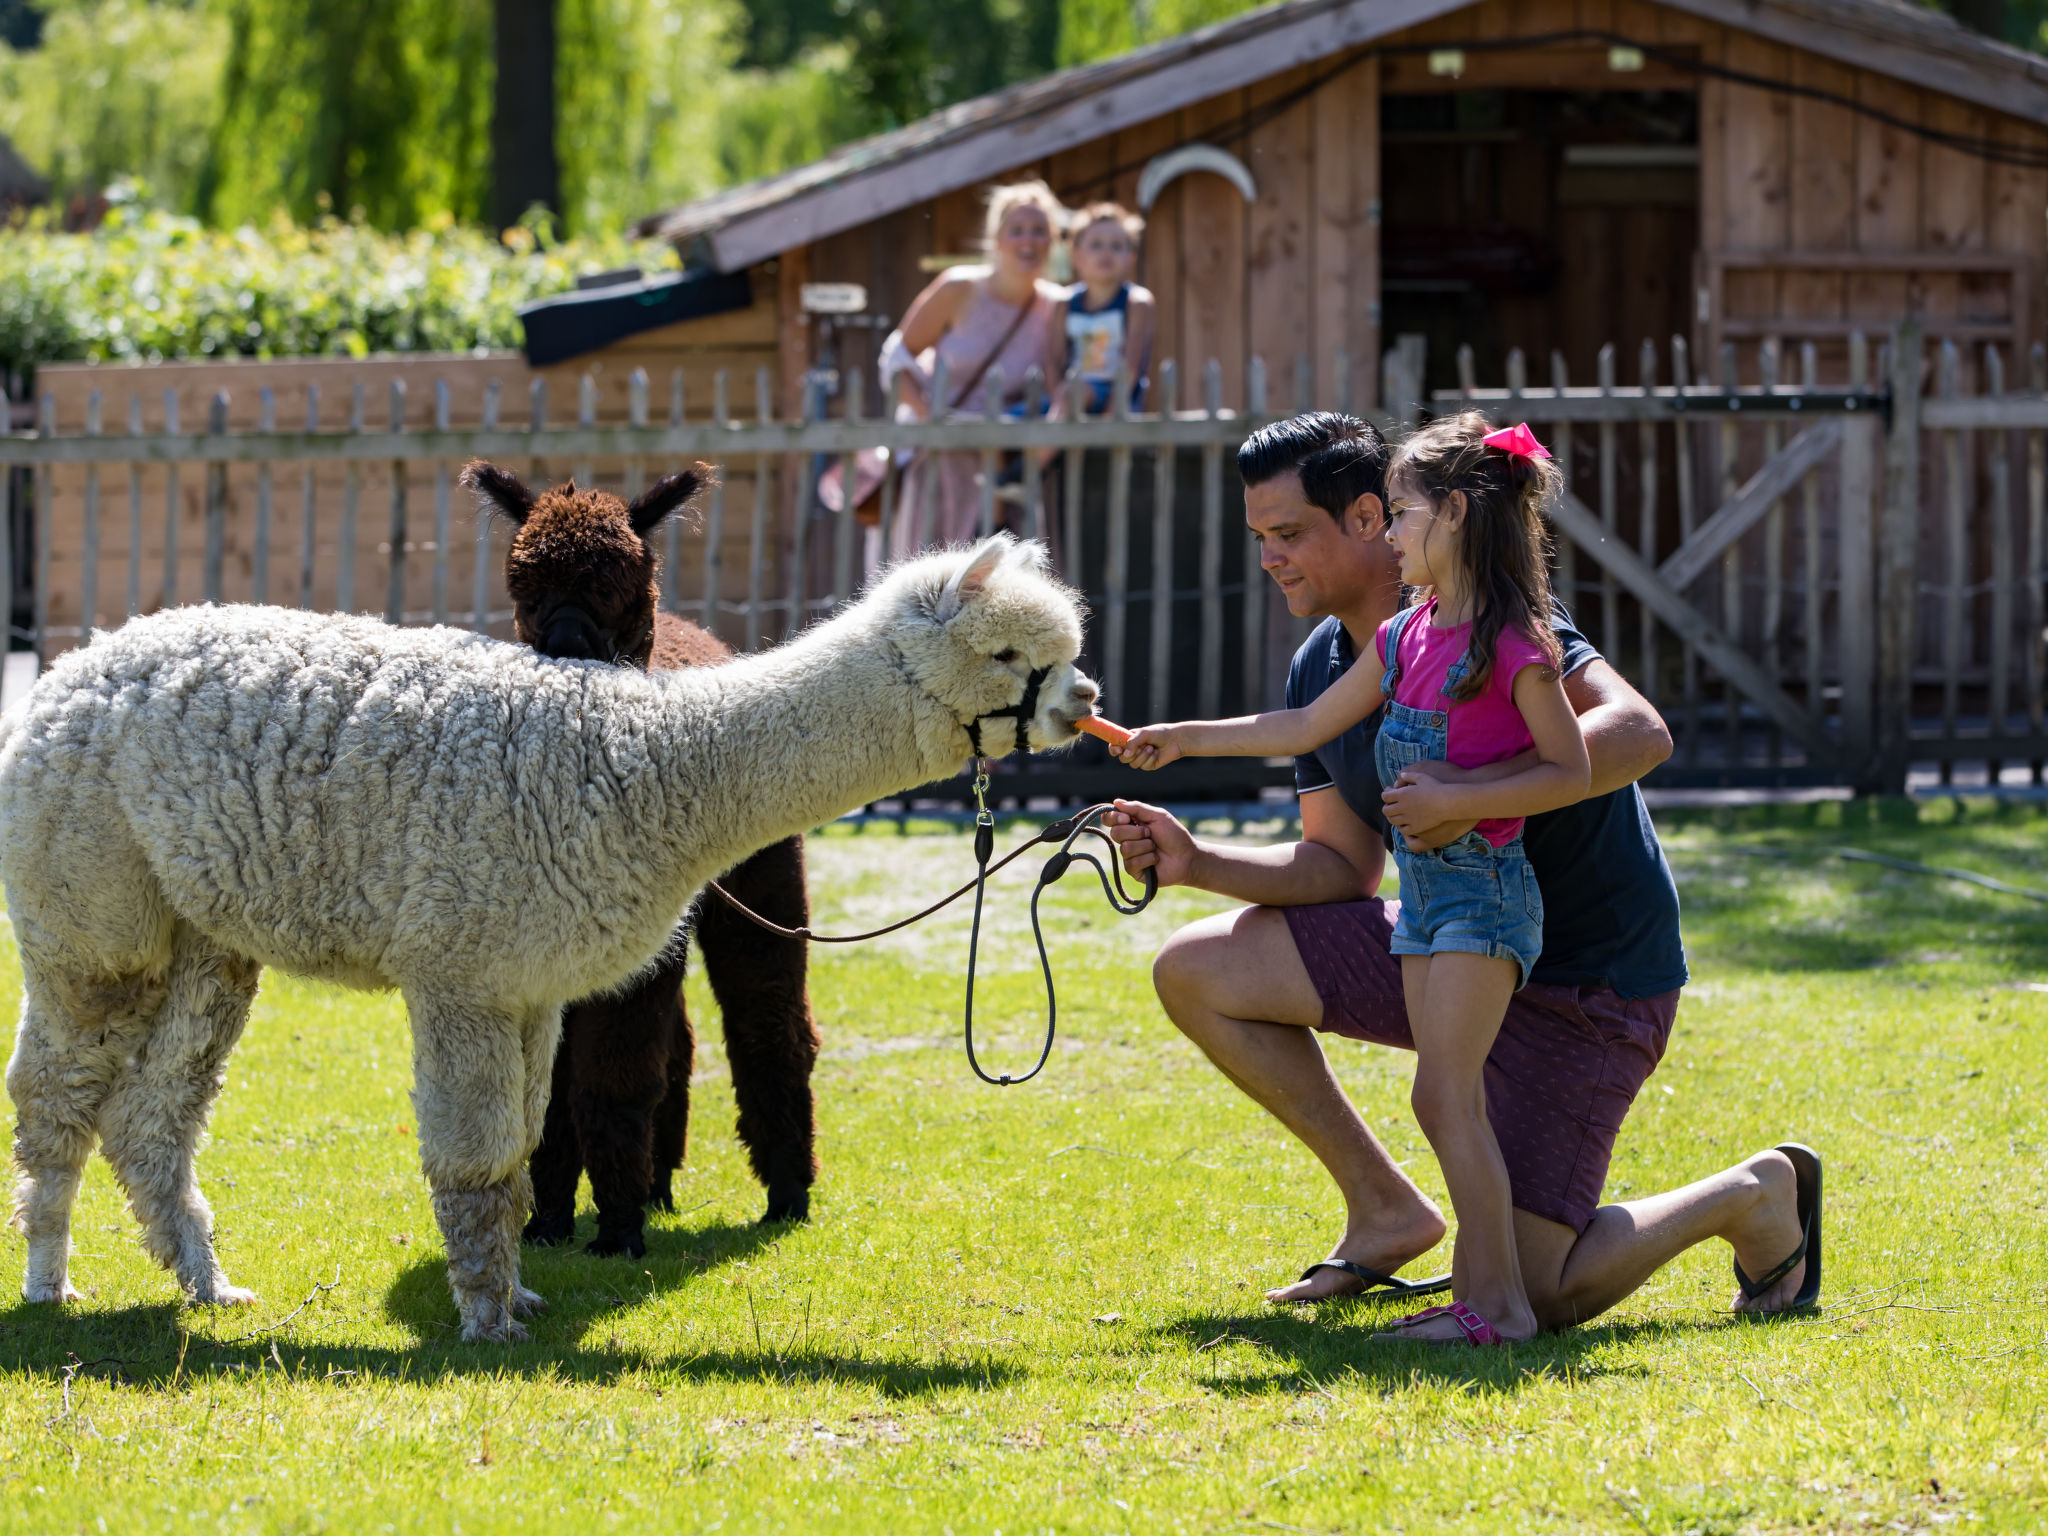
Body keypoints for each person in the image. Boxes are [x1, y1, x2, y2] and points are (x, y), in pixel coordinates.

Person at [1103, 411, 1822, 1341]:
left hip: (1586, 976)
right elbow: (1339, 867)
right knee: (1199, 965)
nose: (1271, 559)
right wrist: (1197, 861)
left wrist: (1469, 793)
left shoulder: (1503, 629)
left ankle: (1754, 1194)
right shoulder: (1330, 662)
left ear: (1375, 519)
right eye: (1261, 539)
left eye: (1290, 535)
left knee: (1546, 1290)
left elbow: (1639, 732)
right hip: (1447, 934)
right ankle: (1386, 1212)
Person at [1114, 414, 1593, 1344]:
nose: (1396, 536)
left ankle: (1493, 1306)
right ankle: (1462, 1278)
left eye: (1407, 516)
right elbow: (1297, 733)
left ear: (1447, 517)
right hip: (1425, 905)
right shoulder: (1405, 638)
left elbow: (1576, 769)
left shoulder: (1517, 642)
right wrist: (1179, 741)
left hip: (1487, 900)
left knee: (1446, 1097)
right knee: (1445, 1095)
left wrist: (1461, 793)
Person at [878, 180, 1067, 558]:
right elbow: (896, 358)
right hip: (942, 461)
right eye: (1017, 230)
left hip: (1007, 467)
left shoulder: (1057, 306)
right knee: (934, 590)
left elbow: (1060, 384)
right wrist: (931, 418)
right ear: (997, 239)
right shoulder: (959, 289)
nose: (1028, 241)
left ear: (1053, 241)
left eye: (1039, 230)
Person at [1048, 202, 1155, 415]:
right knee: (1017, 414)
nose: (1106, 252)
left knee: (1076, 393)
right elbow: (1052, 360)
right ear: (1076, 256)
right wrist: (1056, 398)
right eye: (1096, 245)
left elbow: (1131, 365)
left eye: (1116, 246)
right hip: (1068, 398)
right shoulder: (1065, 303)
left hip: (1112, 395)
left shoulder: (1135, 302)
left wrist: (1112, 411)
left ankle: (1042, 448)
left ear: (1131, 257)